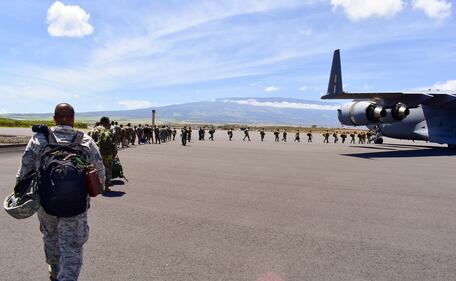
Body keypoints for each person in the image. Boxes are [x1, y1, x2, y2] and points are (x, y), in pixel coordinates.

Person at [16, 103, 105, 281]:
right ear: (73, 119)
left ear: (54, 118)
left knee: (50, 238)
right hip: (76, 206)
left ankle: (55, 273)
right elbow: (100, 176)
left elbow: (23, 173)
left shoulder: (39, 139)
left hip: (46, 204)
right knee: (72, 247)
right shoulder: (85, 141)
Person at [88, 117, 117, 190]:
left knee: (96, 169)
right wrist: (114, 155)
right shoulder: (108, 131)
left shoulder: (93, 130)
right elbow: (114, 145)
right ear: (107, 123)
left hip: (96, 154)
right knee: (107, 169)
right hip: (107, 154)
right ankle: (106, 187)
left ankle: (96, 186)